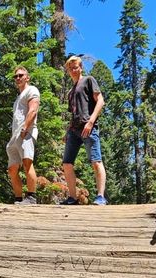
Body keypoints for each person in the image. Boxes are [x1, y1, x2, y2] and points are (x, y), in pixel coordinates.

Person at [62, 55, 107, 205]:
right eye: (70, 68)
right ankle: (72, 197)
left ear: (81, 68)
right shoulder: (70, 92)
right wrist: (67, 131)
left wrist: (91, 122)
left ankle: (100, 197)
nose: (73, 70)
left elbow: (100, 101)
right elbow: (75, 112)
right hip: (74, 131)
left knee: (96, 161)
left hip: (89, 128)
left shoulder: (88, 80)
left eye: (76, 67)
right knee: (67, 164)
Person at [7, 66, 41, 205]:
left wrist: (25, 128)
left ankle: (31, 197)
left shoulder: (32, 90)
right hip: (15, 136)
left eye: (21, 75)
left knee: (27, 162)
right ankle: (18, 198)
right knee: (12, 168)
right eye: (16, 76)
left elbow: (33, 110)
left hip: (26, 132)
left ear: (27, 77)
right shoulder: (18, 97)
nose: (18, 78)